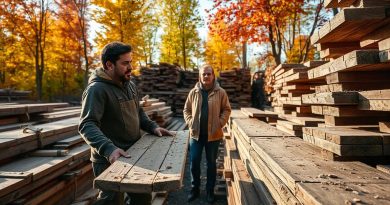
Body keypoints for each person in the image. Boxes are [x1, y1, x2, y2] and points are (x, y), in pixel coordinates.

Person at [78, 41, 172, 205]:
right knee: (111, 202)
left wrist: (153, 127)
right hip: (108, 160)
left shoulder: (130, 85)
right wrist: (110, 149)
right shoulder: (97, 89)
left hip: (135, 154)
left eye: (131, 62)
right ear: (109, 65)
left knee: (142, 199)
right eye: (125, 63)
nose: (130, 67)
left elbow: (138, 112)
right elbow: (87, 125)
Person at [183, 65, 231, 203]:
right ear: (200, 76)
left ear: (213, 76)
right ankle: (195, 189)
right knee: (194, 162)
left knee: (211, 164)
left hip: (213, 135)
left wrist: (220, 123)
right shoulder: (194, 92)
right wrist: (191, 122)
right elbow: (186, 110)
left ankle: (210, 191)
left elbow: (227, 110)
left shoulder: (220, 92)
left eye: (209, 74)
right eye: (204, 74)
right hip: (196, 135)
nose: (206, 76)